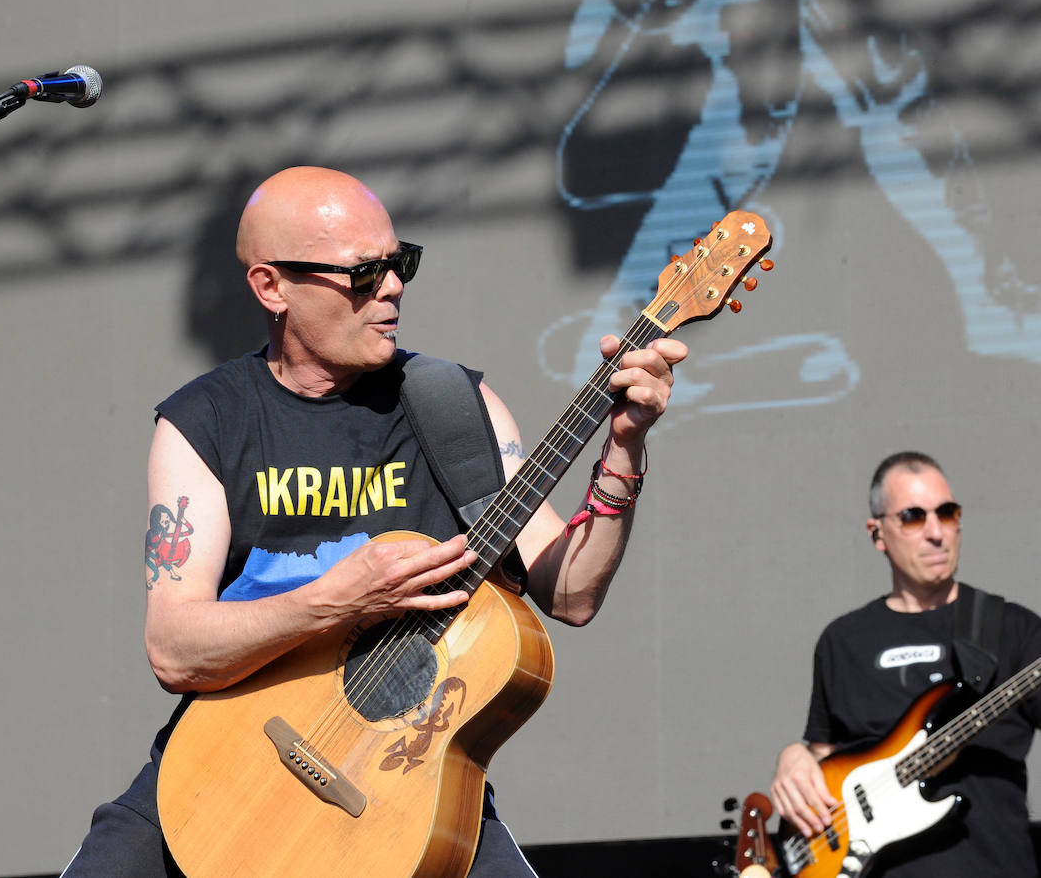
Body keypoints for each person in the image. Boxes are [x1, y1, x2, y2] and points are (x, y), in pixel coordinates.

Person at [60, 165, 687, 877]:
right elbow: (175, 649)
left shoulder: (455, 407)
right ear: (272, 288)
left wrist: (625, 447)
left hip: (406, 788)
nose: (391, 289)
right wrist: (338, 599)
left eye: (399, 265)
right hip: (226, 768)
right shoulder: (206, 422)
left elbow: (569, 593)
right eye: (362, 274)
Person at [770, 451, 1041, 877]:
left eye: (947, 513)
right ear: (877, 533)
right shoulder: (843, 641)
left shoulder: (1015, 629)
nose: (936, 532)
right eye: (914, 517)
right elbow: (822, 760)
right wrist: (792, 757)